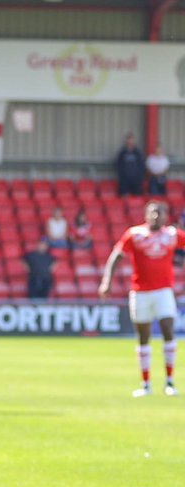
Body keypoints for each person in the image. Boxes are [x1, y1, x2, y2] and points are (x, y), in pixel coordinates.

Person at [99, 200, 180, 397]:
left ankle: (169, 381)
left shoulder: (172, 235)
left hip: (163, 291)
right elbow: (115, 256)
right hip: (140, 292)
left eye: (159, 213)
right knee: (143, 337)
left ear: (165, 216)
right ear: (145, 215)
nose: (155, 216)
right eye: (152, 213)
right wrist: (106, 281)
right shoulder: (135, 235)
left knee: (168, 329)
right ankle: (146, 384)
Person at [116, 133, 145, 198]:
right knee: (124, 197)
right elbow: (118, 166)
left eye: (131, 140)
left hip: (136, 180)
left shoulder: (137, 153)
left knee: (137, 198)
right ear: (126, 141)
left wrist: (139, 177)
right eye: (128, 140)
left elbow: (141, 166)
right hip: (125, 180)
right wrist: (123, 176)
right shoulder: (122, 153)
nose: (130, 142)